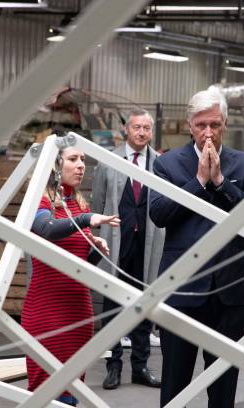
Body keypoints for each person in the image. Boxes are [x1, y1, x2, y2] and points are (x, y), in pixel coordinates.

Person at [150, 89, 244, 407]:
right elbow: (158, 215)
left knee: (224, 385)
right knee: (175, 382)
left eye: (214, 124)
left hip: (230, 291)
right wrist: (198, 183)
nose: (208, 133)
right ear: (190, 125)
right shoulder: (168, 165)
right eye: (201, 125)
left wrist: (222, 183)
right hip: (182, 289)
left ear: (225, 123)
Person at [22, 144, 119, 406]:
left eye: (83, 160)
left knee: (73, 391)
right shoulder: (39, 200)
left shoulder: (77, 202)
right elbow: (45, 228)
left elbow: (80, 264)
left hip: (79, 310)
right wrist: (88, 220)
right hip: (48, 311)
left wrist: (95, 249)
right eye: (73, 159)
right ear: (54, 166)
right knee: (46, 392)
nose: (80, 165)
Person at [91, 109, 164, 390]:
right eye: (137, 127)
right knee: (112, 308)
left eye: (147, 128)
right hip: (117, 244)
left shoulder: (159, 163)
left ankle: (141, 366)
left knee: (145, 304)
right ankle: (113, 365)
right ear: (126, 130)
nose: (142, 132)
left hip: (148, 243)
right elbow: (97, 205)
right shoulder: (109, 162)